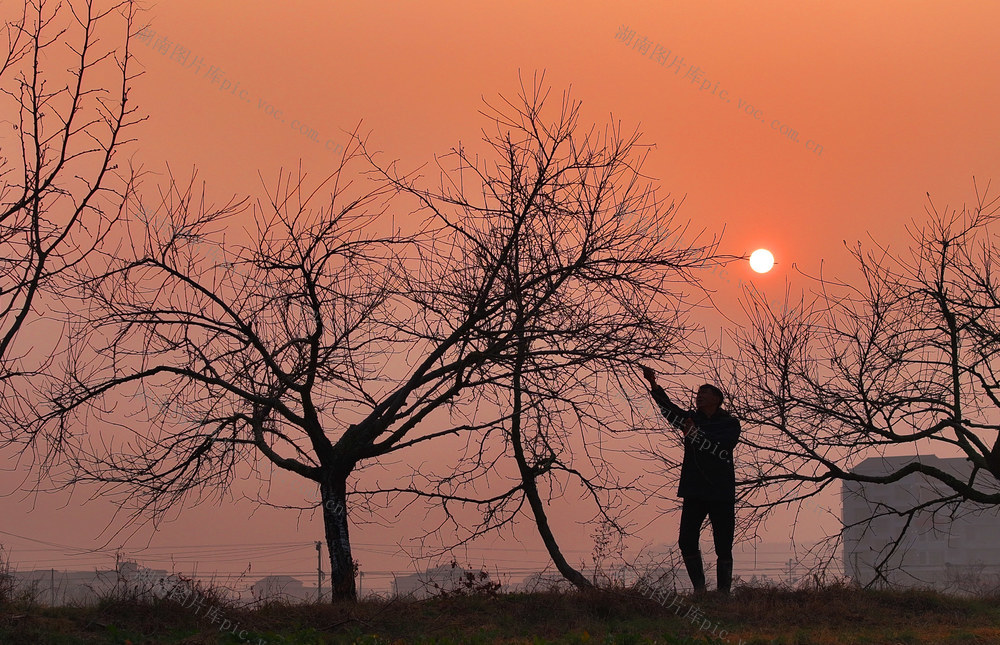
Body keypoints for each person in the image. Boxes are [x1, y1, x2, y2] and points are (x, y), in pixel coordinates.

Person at [641, 365, 741, 594]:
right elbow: (668, 409)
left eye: (705, 393)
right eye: (698, 393)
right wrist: (653, 383)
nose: (699, 396)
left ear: (717, 399)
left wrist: (696, 434)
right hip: (695, 489)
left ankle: (723, 593)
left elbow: (723, 446)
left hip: (721, 491)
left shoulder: (729, 423)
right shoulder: (690, 419)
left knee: (723, 544)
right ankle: (700, 589)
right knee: (686, 540)